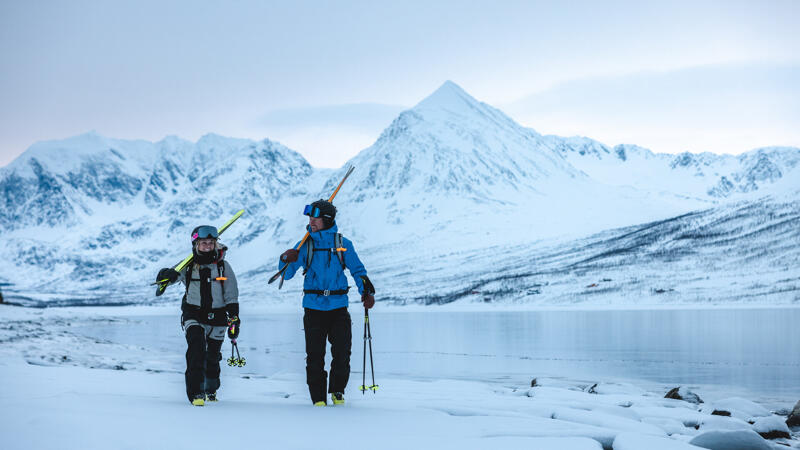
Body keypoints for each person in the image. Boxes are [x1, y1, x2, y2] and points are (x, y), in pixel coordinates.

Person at [280, 199, 375, 406]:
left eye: (315, 218)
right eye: (310, 218)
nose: (311, 222)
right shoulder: (305, 245)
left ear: (327, 220)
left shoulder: (343, 244)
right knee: (315, 356)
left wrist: (366, 291)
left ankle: (337, 392)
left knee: (342, 353)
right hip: (313, 308)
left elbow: (358, 270)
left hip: (339, 306)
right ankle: (318, 399)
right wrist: (286, 258)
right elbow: (285, 275)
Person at [157, 225, 240, 406]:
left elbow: (231, 294)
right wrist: (165, 275)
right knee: (196, 349)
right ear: (196, 244)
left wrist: (234, 318)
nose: (208, 246)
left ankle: (211, 388)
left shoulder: (223, 267)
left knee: (212, 357)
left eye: (211, 243)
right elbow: (170, 278)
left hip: (218, 316)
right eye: (204, 243)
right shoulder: (187, 265)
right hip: (193, 313)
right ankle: (196, 393)